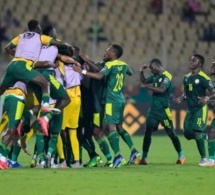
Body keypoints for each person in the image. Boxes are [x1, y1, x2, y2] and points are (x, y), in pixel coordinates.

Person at [73, 44, 140, 168]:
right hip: (120, 99)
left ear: (113, 54)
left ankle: (117, 156)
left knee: (108, 128)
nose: (105, 52)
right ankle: (132, 151)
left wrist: (82, 69)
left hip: (109, 101)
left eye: (107, 50)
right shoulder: (123, 65)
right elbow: (129, 72)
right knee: (118, 127)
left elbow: (99, 74)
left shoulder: (108, 66)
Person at [134, 58, 185, 165]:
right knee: (148, 132)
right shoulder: (155, 76)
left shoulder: (167, 76)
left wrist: (146, 86)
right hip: (153, 110)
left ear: (157, 66)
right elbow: (143, 81)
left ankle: (181, 155)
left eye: (152, 68)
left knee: (171, 133)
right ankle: (144, 158)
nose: (151, 71)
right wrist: (141, 71)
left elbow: (162, 89)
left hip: (164, 110)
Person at [176, 54, 215, 166]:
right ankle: (205, 137)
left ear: (200, 64)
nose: (191, 62)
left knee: (197, 131)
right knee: (187, 134)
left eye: (194, 60)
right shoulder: (186, 77)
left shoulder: (204, 78)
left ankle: (204, 159)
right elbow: (187, 91)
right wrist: (182, 97)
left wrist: (206, 98)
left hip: (200, 108)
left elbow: (213, 92)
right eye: (191, 60)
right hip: (190, 109)